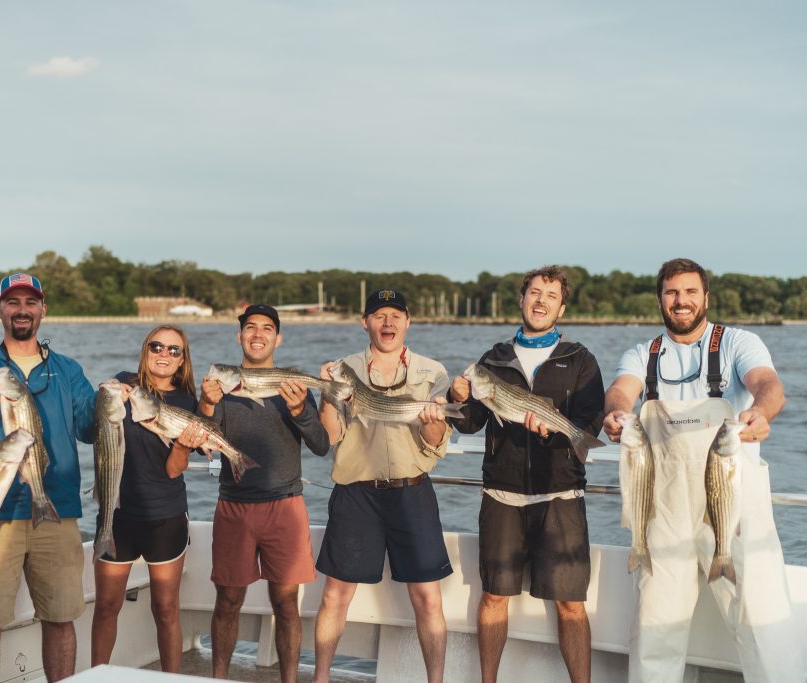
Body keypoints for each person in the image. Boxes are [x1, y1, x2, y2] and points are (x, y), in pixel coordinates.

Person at [603, 257, 801, 682]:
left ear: (706, 297)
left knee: (762, 621)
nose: (681, 301)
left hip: (734, 514)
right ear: (660, 298)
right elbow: (621, 391)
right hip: (665, 516)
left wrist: (762, 413)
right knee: (655, 632)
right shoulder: (643, 354)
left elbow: (769, 386)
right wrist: (617, 415)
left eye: (691, 292)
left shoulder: (737, 343)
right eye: (672, 292)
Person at [448, 266, 604, 683]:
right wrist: (457, 395)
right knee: (494, 596)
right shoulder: (493, 361)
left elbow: (590, 423)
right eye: (534, 292)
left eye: (550, 296)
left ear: (562, 307)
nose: (540, 301)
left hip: (562, 497)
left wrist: (562, 433)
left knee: (571, 604)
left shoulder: (580, 359)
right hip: (502, 495)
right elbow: (468, 423)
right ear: (521, 300)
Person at [0, 273, 96, 683]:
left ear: (43, 310)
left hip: (56, 509)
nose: (22, 310)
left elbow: (89, 428)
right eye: (13, 302)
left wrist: (113, 398)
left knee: (61, 617)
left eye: (31, 302)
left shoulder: (68, 370)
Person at [312, 289, 453, 683]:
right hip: (356, 493)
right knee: (335, 595)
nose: (388, 323)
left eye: (396, 315)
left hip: (413, 491)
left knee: (427, 598)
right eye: (379, 315)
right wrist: (328, 394)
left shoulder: (433, 371)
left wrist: (432, 420)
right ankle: (320, 678)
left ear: (408, 322)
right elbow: (331, 435)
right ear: (365, 322)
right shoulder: (342, 369)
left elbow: (435, 441)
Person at [198, 304, 330, 683]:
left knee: (286, 603)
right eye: (250, 328)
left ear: (278, 338)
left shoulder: (292, 385)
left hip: (285, 507)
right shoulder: (219, 388)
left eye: (267, 328)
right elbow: (202, 441)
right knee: (227, 601)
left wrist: (301, 408)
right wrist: (207, 403)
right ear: (239, 336)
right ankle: (218, 678)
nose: (258, 334)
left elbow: (321, 445)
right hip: (233, 506)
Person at [91, 325, 208, 672]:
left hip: (165, 517)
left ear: (183, 360)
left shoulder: (187, 402)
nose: (164, 354)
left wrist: (185, 444)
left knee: (167, 609)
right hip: (117, 514)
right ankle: (98, 677)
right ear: (145, 349)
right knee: (107, 606)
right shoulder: (125, 381)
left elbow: (174, 470)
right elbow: (98, 418)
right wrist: (108, 392)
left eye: (174, 350)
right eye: (157, 346)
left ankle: (172, 679)